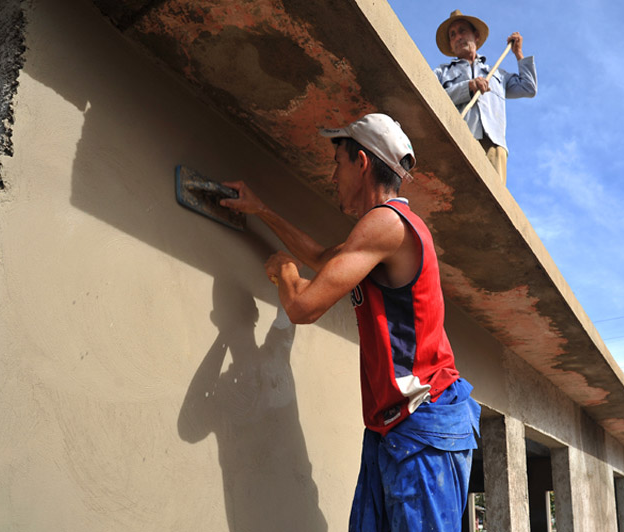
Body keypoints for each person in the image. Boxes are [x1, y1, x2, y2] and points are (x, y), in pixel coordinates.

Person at [221, 113, 481, 531]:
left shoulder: (386, 225)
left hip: (421, 425)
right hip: (394, 426)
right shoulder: (379, 230)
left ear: (362, 163)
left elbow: (303, 307)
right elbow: (324, 259)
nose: (332, 174)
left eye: (337, 162)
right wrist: (261, 210)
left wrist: (285, 272)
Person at [434, 9, 537, 184]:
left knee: (492, 202)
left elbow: (528, 87)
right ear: (451, 45)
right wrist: (468, 87)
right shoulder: (441, 73)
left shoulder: (496, 73)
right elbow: (434, 99)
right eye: (452, 35)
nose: (458, 37)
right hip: (458, 140)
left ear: (476, 36)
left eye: (462, 31)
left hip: (493, 145)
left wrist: (518, 53)